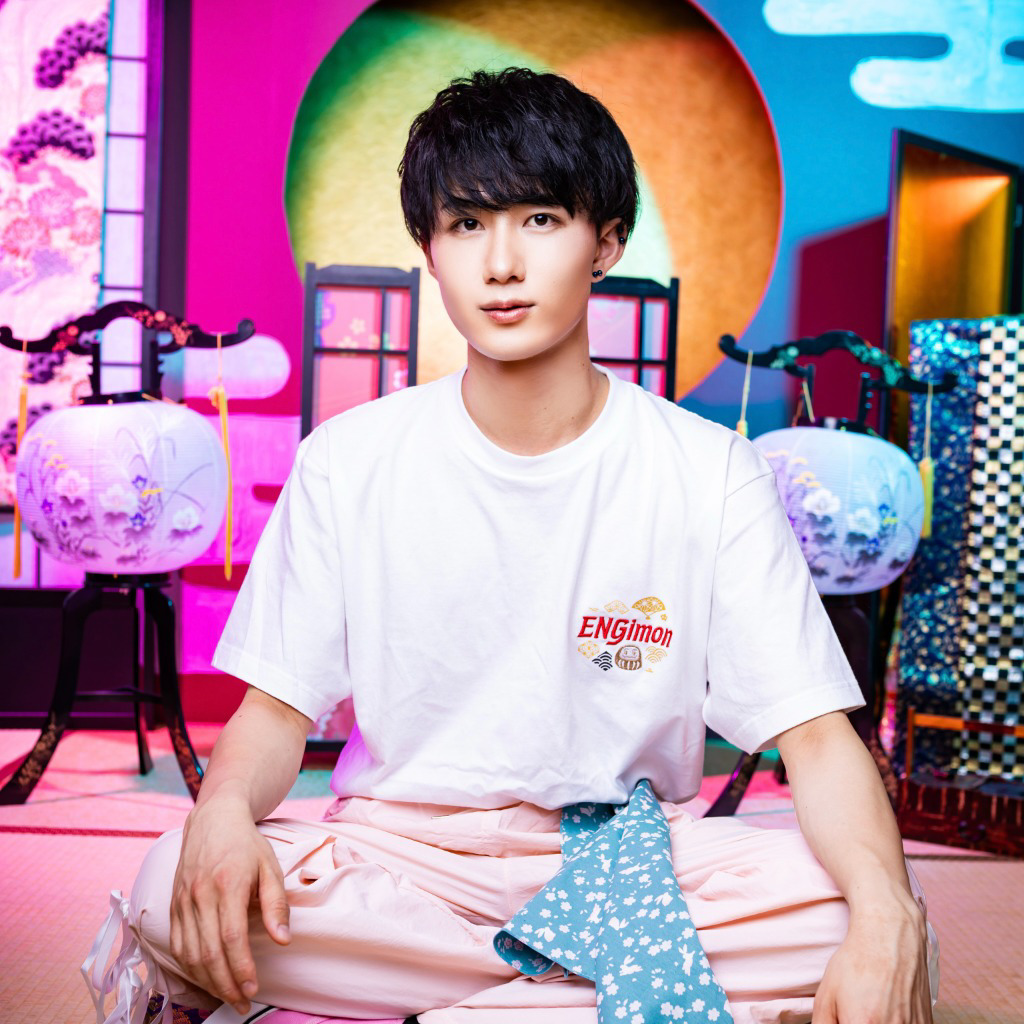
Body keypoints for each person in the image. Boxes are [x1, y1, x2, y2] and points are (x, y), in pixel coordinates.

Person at [86, 68, 936, 1024]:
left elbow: (815, 736)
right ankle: (568, 1000)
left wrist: (887, 913)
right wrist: (221, 816)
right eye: (466, 224)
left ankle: (439, 1006)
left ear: (606, 241)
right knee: (173, 883)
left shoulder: (710, 470)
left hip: (628, 863)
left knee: (859, 914)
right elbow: (276, 713)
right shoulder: (349, 459)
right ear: (429, 248)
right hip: (398, 858)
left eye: (539, 220)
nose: (500, 264)